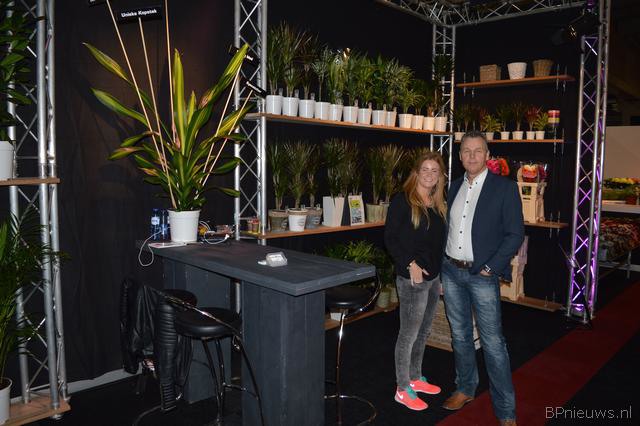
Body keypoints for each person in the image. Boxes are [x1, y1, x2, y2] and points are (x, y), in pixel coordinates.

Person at [441, 131, 524, 426]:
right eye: (466, 151)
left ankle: (506, 411)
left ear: (488, 155)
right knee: (460, 335)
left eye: (478, 150)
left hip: (482, 276)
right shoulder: (452, 187)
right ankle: (465, 388)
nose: (472, 156)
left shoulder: (505, 188)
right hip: (451, 272)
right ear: (460, 156)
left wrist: (492, 267)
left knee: (493, 343)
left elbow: (515, 233)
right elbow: (446, 231)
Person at [384, 151, 448, 411]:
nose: (429, 174)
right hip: (412, 278)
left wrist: (439, 275)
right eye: (425, 169)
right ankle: (402, 389)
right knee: (408, 334)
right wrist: (411, 264)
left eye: (435, 170)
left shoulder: (437, 203)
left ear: (440, 176)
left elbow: (437, 245)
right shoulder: (403, 200)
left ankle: (414, 377)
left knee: (423, 332)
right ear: (416, 172)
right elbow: (390, 239)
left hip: (433, 278)